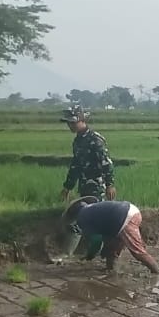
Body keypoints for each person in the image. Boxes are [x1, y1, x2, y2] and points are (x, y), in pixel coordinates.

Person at [59, 104, 116, 258]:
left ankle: (100, 251)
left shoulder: (96, 140)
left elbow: (106, 163)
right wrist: (68, 186)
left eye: (73, 122)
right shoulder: (78, 141)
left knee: (95, 218)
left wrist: (110, 184)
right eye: (68, 123)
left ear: (82, 120)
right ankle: (93, 250)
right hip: (84, 186)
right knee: (86, 217)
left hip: (97, 185)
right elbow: (75, 165)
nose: (70, 125)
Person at [63, 197, 159, 274]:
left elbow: (96, 240)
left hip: (124, 217)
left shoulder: (82, 217)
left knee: (137, 251)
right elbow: (104, 232)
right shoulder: (92, 208)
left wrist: (90, 256)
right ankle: (111, 269)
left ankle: (156, 271)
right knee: (110, 248)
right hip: (129, 211)